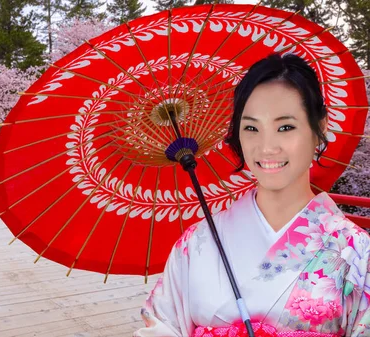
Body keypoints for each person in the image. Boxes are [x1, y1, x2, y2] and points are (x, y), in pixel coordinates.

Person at [133, 53, 370, 337]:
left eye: (285, 127)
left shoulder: (355, 251)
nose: (266, 147)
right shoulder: (198, 241)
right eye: (251, 128)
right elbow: (161, 326)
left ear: (319, 127)